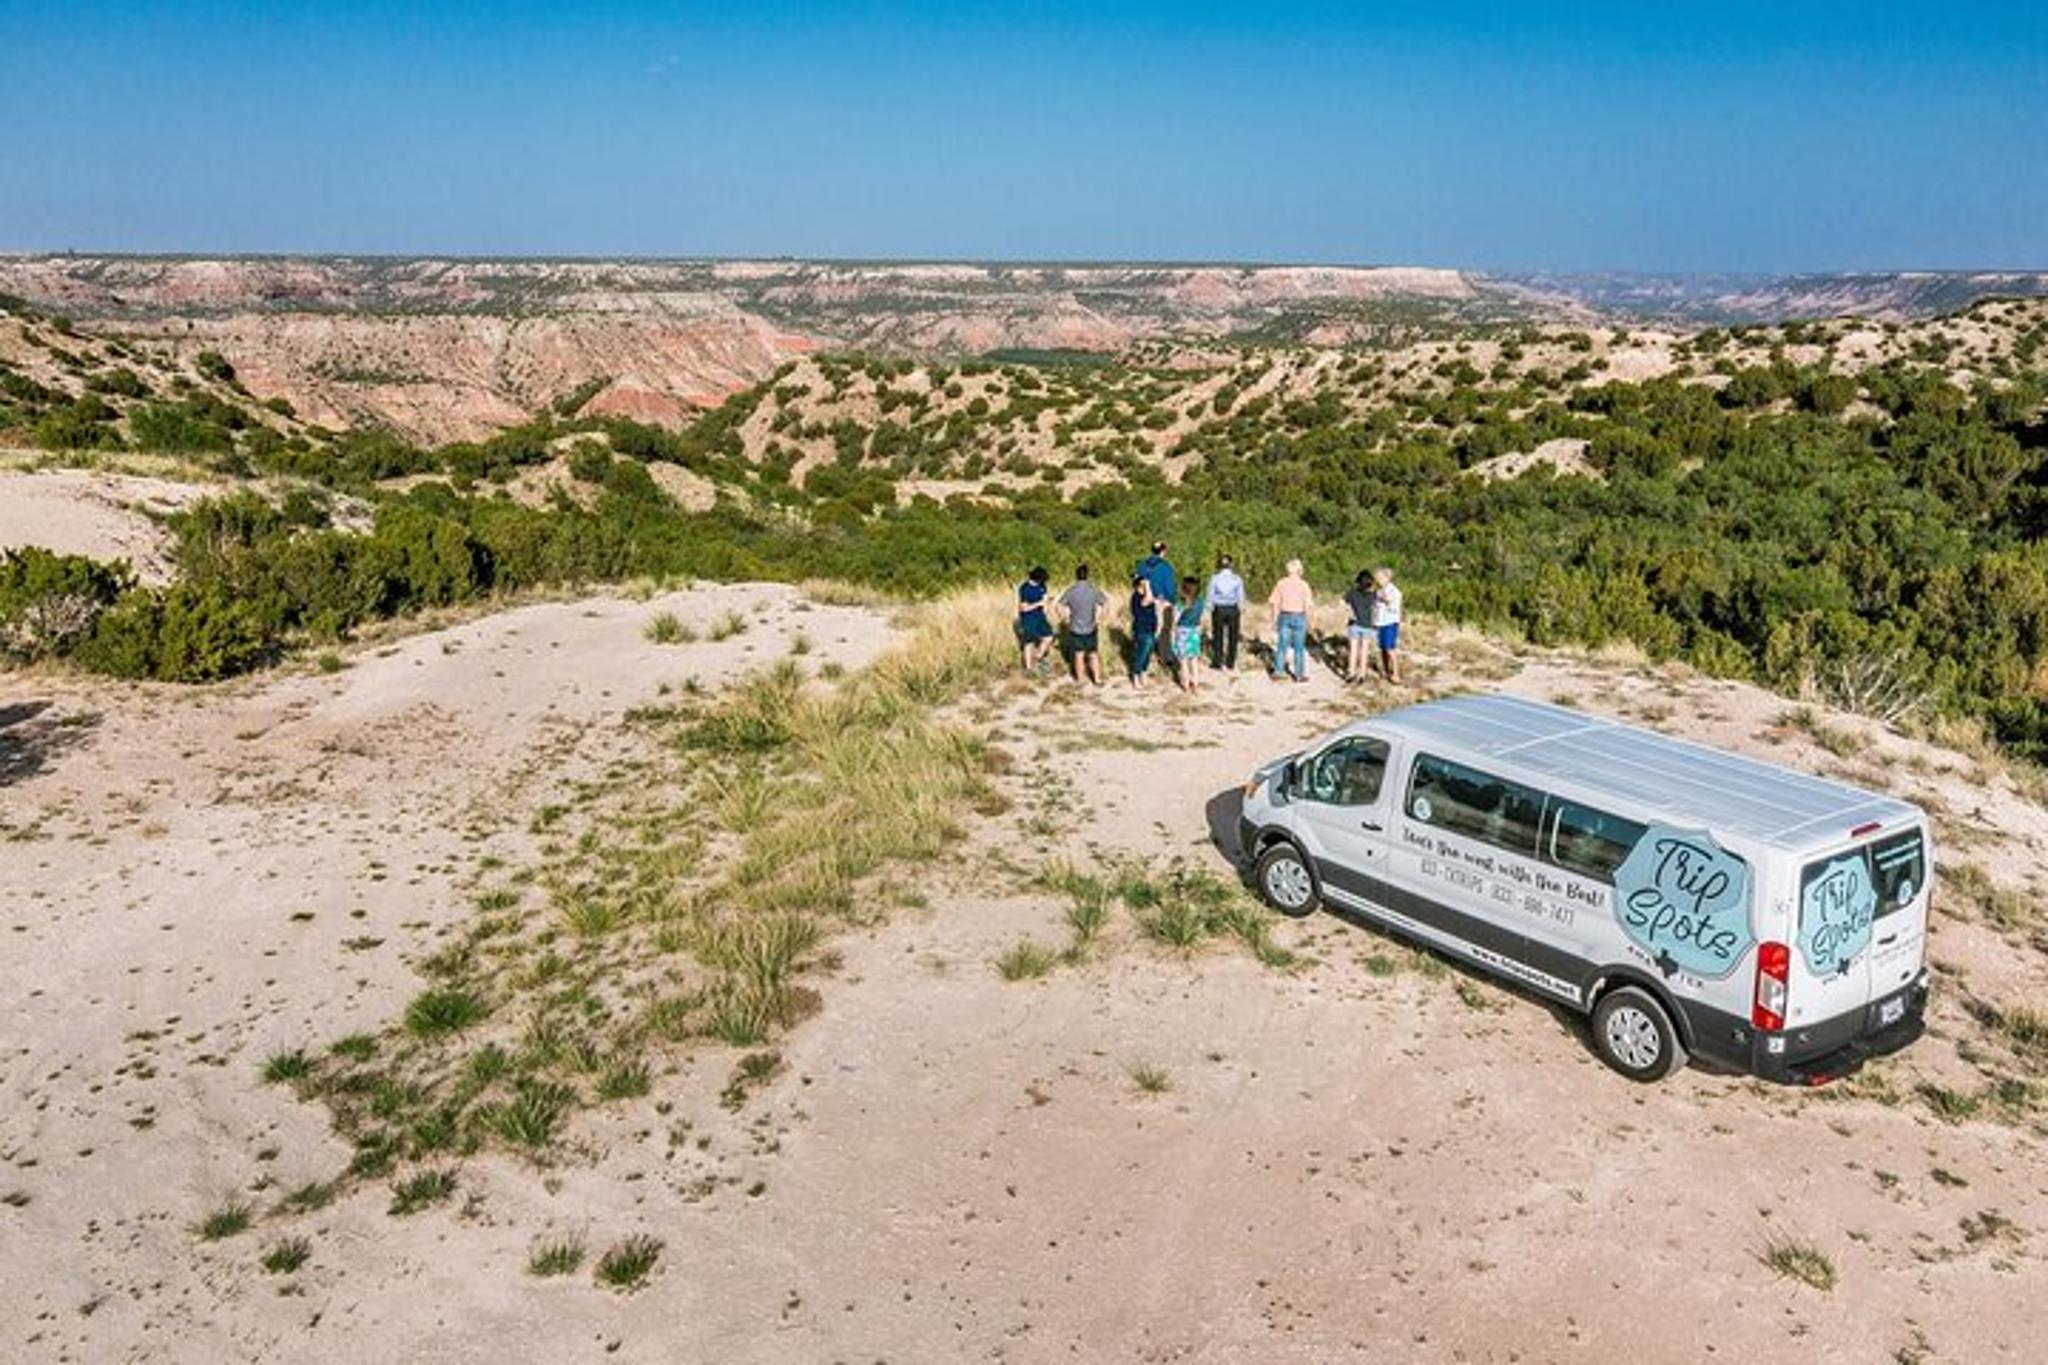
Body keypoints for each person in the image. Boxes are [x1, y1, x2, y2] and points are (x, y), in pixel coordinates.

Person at [1057, 563, 1110, 686]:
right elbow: (1106, 602)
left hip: (1075, 628)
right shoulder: (1093, 589)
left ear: (1076, 575)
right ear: (1087, 575)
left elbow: (1058, 605)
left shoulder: (1071, 591)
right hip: (1091, 627)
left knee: (1078, 655)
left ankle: (1080, 681)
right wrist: (1101, 617)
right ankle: (1097, 679)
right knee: (1093, 654)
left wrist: (1064, 618)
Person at [1268, 558, 1312, 683]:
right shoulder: (1304, 585)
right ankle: (1299, 674)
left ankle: (1278, 671)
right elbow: (1307, 605)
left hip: (1284, 615)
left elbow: (1274, 602)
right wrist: (1308, 621)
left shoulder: (1281, 583)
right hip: (1299, 616)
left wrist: (1274, 620)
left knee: (1282, 646)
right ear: (1299, 570)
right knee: (1299, 647)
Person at [1206, 553, 1244, 671]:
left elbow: (1210, 595)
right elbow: (1240, 596)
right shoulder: (1237, 579)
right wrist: (1241, 607)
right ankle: (1230, 662)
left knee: (1218, 635)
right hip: (1233, 608)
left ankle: (1218, 661)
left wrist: (1209, 607)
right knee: (1233, 636)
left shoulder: (1215, 578)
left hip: (1219, 608)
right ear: (1231, 565)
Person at [1015, 566, 1054, 675]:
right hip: (1028, 618)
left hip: (1041, 617)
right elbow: (1023, 608)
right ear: (1037, 578)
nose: (1044, 582)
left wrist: (1047, 604)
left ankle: (1038, 656)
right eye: (1043, 579)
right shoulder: (1024, 588)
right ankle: (1028, 669)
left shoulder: (1042, 586)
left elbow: (1044, 599)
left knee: (1049, 637)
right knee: (1029, 642)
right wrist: (1038, 604)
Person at [1128, 574, 1164, 687]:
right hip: (1141, 630)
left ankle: (1143, 672)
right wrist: (1146, 583)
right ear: (1140, 586)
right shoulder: (1136, 597)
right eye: (1144, 586)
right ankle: (1135, 674)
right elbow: (1147, 601)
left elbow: (1155, 602)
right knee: (1141, 653)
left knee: (1148, 653)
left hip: (1150, 628)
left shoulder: (1146, 595)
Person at [1372, 566, 1404, 684]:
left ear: (1387, 578)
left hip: (1390, 622)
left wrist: (1384, 599)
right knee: (1383, 649)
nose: (1378, 580)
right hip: (1380, 622)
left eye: (1380, 578)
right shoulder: (1378, 591)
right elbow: (1375, 607)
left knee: (1390, 648)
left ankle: (1396, 673)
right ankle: (1386, 671)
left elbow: (1394, 607)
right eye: (1377, 578)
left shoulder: (1395, 591)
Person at [1173, 578, 1206, 694]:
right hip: (1195, 631)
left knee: (1183, 661)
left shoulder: (1181, 604)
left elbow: (1175, 619)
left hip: (1183, 631)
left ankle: (1186, 685)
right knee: (1194, 660)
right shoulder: (1200, 602)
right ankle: (1195, 685)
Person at [1343, 569, 1376, 684]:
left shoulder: (1351, 592)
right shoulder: (1373, 595)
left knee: (1353, 650)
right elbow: (1375, 608)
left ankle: (1351, 673)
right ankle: (1362, 674)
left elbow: (1344, 604)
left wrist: (1350, 612)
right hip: (1367, 624)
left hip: (1354, 623)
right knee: (1364, 650)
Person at [1135, 541, 1176, 608]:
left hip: (1142, 603)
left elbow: (1136, 583)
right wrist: (1172, 601)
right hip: (1160, 603)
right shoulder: (1165, 567)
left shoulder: (1142, 565)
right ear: (1163, 551)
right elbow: (1169, 588)